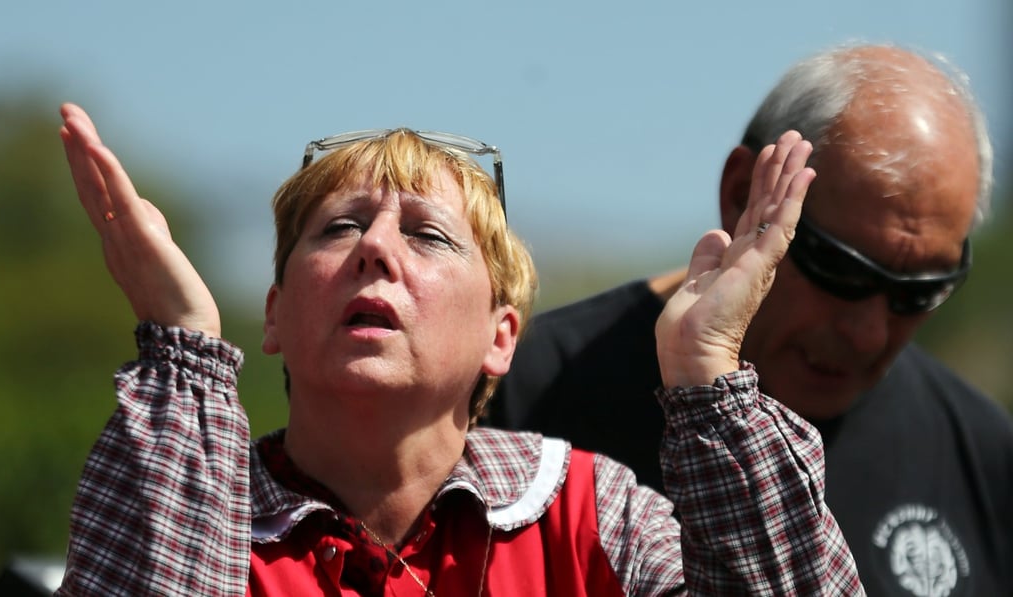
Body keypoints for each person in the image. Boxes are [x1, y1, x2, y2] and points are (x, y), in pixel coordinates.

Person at [53, 102, 865, 596]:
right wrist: (184, 355)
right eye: (338, 227)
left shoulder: (591, 512)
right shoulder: (198, 513)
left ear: (500, 336)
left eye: (427, 235)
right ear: (273, 319)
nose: (374, 249)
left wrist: (709, 371)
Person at [487, 44, 1013, 595]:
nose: (870, 332)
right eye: (839, 270)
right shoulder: (528, 397)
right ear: (744, 196)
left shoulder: (980, 450)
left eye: (921, 292)